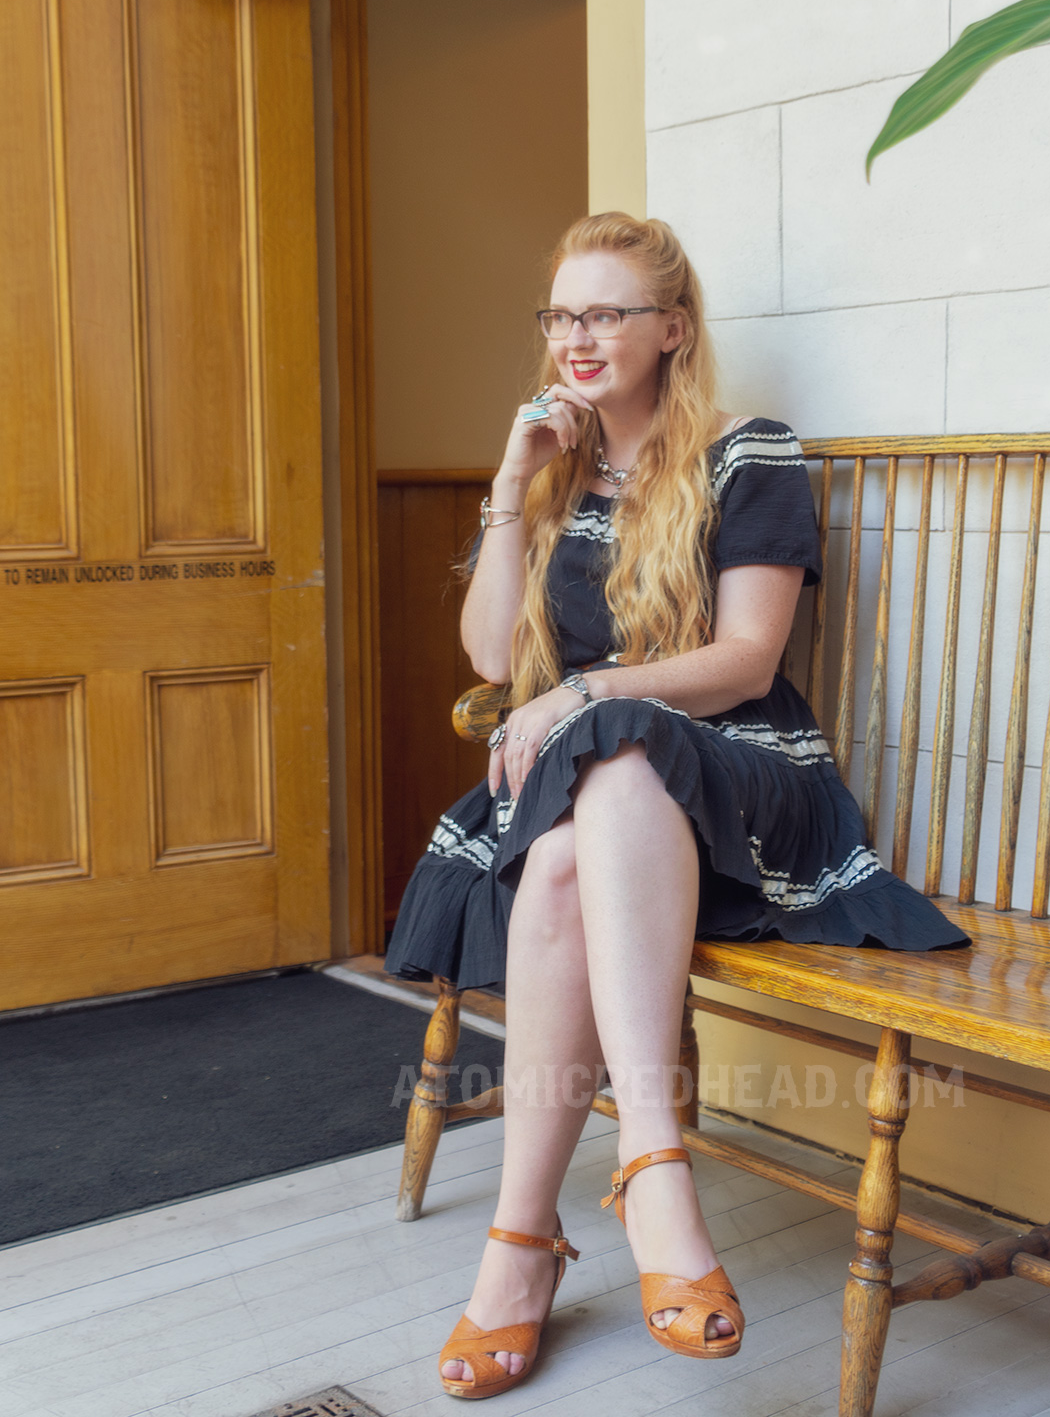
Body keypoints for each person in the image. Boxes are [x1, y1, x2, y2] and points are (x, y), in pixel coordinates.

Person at [384, 212, 967, 1399]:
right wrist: (508, 482)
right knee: (562, 852)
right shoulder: (557, 473)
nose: (577, 336)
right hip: (594, 807)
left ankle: (563, 1221)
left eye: (606, 312)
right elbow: (492, 656)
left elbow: (746, 661)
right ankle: (588, 1206)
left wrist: (584, 692)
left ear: (672, 330)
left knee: (616, 753)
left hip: (745, 778)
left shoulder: (747, 453)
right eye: (561, 314)